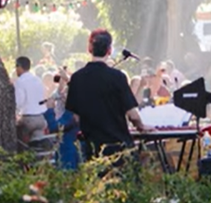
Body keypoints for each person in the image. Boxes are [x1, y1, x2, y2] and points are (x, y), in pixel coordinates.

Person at [65, 29, 152, 162]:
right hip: (119, 147)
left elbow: (76, 117)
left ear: (89, 48)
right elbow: (132, 115)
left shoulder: (76, 78)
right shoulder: (118, 77)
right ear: (109, 50)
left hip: (92, 149)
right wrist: (141, 126)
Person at [14, 56, 48, 150]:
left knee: (19, 140)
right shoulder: (38, 80)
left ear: (19, 67)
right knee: (38, 145)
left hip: (28, 119)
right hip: (41, 119)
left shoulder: (20, 81)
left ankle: (23, 159)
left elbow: (19, 101)